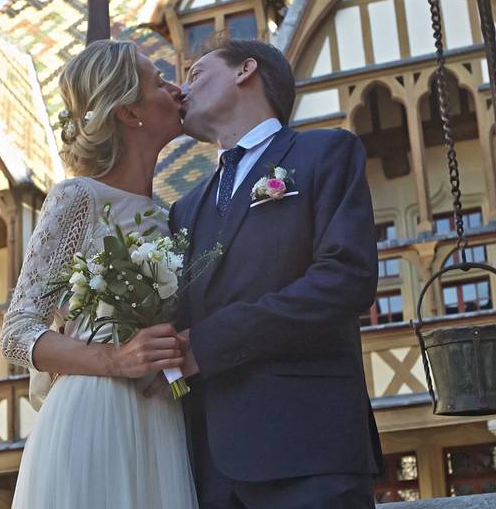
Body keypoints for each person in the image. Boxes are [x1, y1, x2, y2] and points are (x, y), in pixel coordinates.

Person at [151, 39, 384, 508]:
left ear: (246, 71)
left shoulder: (325, 152)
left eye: (196, 73)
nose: (181, 89)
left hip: (308, 450)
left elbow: (345, 279)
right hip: (209, 466)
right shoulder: (183, 209)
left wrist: (208, 344)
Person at [1, 39, 198, 508]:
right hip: (94, 415)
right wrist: (114, 359)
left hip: (163, 418)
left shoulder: (174, 216)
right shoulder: (77, 199)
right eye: (158, 81)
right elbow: (17, 332)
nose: (176, 90)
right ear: (130, 113)